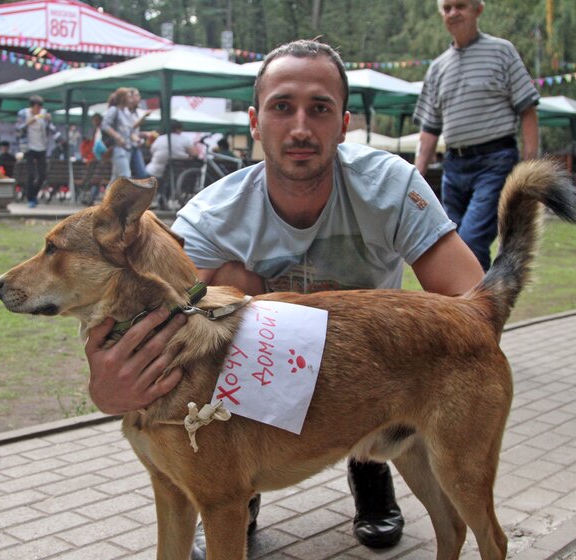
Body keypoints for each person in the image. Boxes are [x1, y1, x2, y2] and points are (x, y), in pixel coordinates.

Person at [84, 39, 484, 559]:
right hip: (252, 404)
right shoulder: (212, 216)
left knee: (372, 393)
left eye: (319, 109)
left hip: (372, 374)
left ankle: (373, 471)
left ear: (344, 124)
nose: (300, 128)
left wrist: (435, 381)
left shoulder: (389, 185)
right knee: (217, 327)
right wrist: (107, 389)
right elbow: (161, 328)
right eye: (281, 107)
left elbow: (469, 304)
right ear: (255, 121)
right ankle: (232, 494)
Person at [413, 0, 539, 271]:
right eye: (447, 8)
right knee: (449, 244)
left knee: (470, 241)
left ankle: (476, 311)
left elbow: (527, 110)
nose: (453, 13)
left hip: (495, 161)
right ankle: (463, 308)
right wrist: (414, 177)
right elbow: (429, 130)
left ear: (478, 9)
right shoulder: (437, 68)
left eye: (460, 6)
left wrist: (530, 169)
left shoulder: (502, 51)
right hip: (454, 167)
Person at [15, 95, 62, 208]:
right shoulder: (23, 114)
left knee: (42, 175)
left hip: (42, 148)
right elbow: (18, 129)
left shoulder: (44, 113)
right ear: (32, 107)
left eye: (40, 107)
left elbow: (51, 127)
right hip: (29, 148)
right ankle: (30, 198)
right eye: (37, 107)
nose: (39, 110)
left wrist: (49, 121)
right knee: (31, 174)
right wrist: (28, 122)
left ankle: (34, 194)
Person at [102, 87, 138, 183]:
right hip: (117, 148)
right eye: (129, 97)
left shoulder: (126, 113)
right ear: (123, 98)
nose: (132, 100)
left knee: (115, 178)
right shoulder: (114, 110)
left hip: (127, 148)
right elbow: (105, 125)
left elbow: (129, 131)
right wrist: (117, 136)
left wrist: (137, 139)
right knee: (125, 175)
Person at [126, 88, 152, 179]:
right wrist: (143, 117)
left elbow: (134, 132)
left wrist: (145, 134)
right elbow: (129, 129)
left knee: (142, 174)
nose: (139, 97)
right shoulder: (124, 112)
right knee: (123, 174)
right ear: (130, 97)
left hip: (135, 147)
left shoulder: (136, 112)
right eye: (137, 95)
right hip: (125, 147)